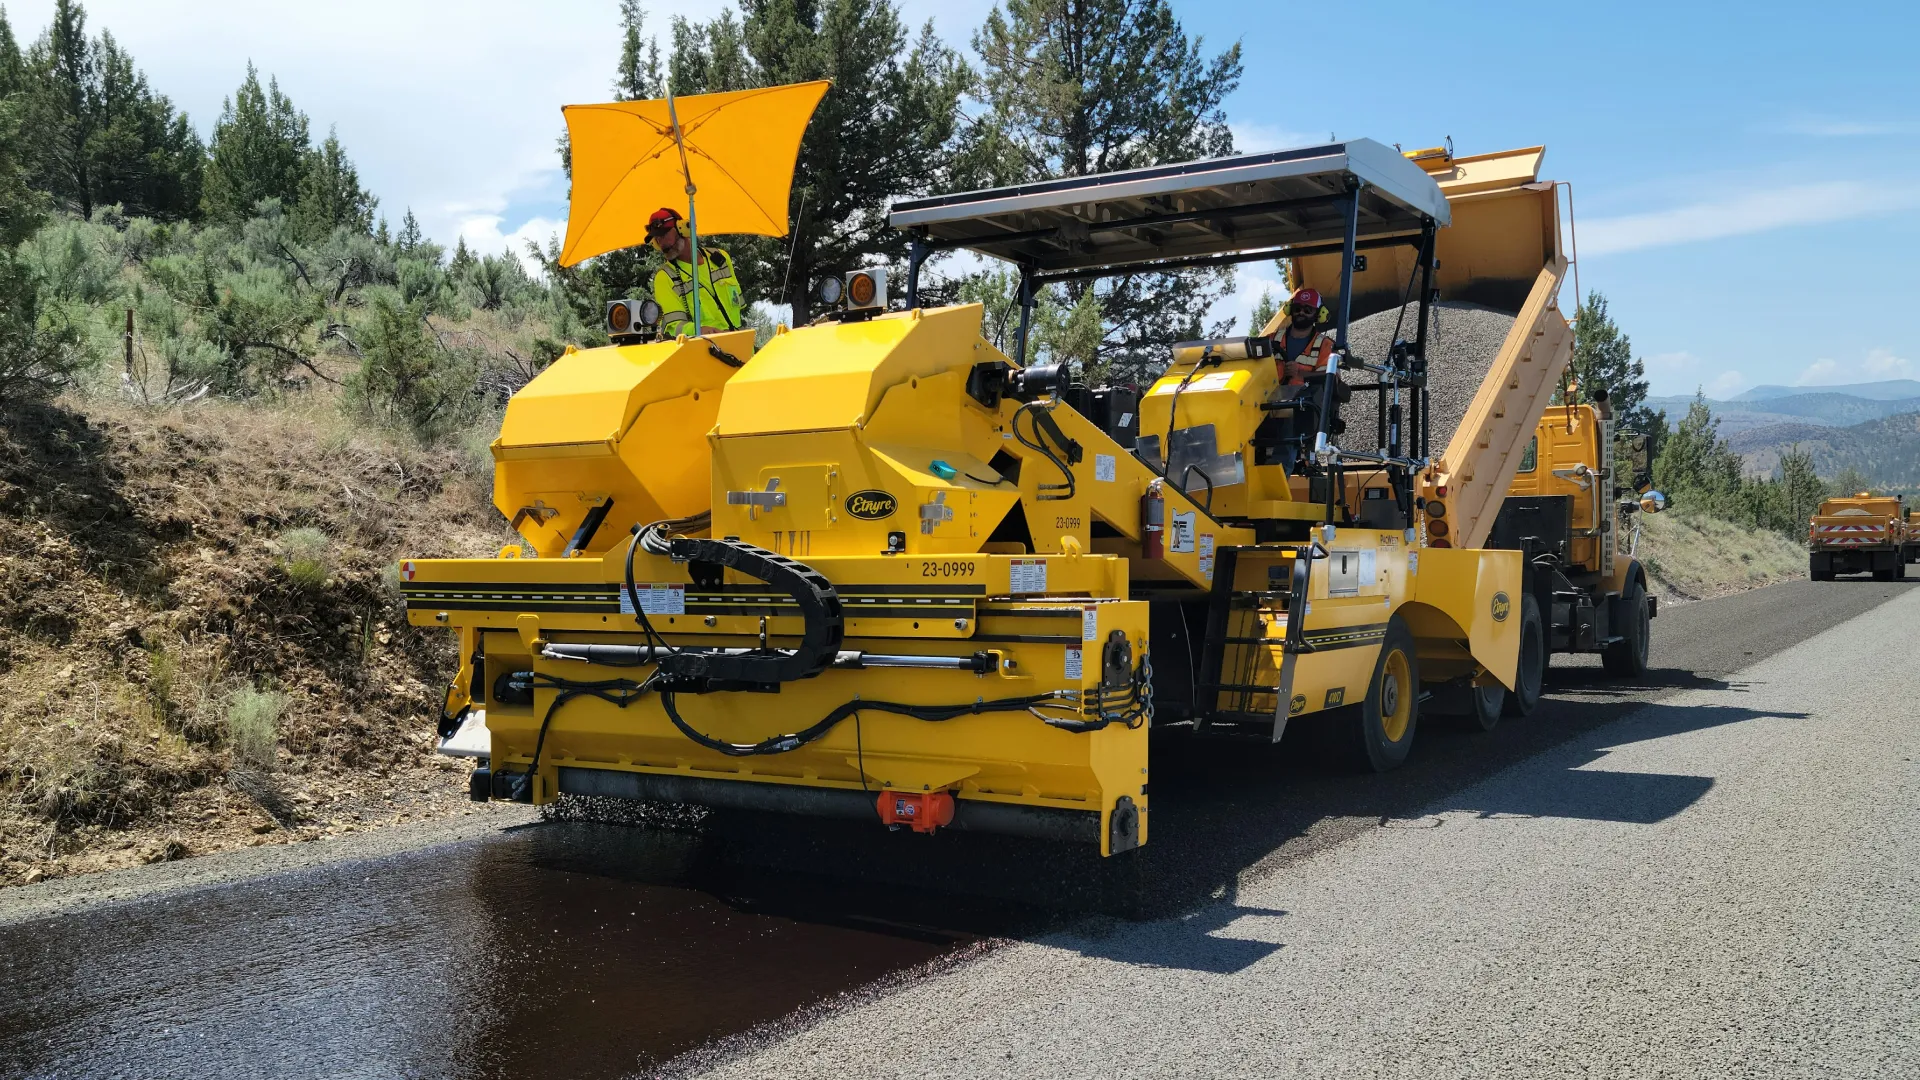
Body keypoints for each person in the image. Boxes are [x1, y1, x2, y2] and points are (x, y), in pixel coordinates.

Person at [645, 207, 745, 338]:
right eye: (657, 239)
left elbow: (739, 308)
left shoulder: (721, 258)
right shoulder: (664, 277)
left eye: (663, 235)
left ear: (683, 229)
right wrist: (699, 330)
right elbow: (673, 327)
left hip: (741, 348)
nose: (661, 244)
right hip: (707, 351)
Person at [1274, 287, 1335, 386]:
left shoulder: (1326, 345)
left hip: (1306, 400)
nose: (1301, 312)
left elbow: (1332, 379)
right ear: (1290, 310)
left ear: (1319, 314)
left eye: (1307, 310)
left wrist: (1299, 373)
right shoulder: (1272, 339)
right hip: (1271, 400)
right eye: (1297, 309)